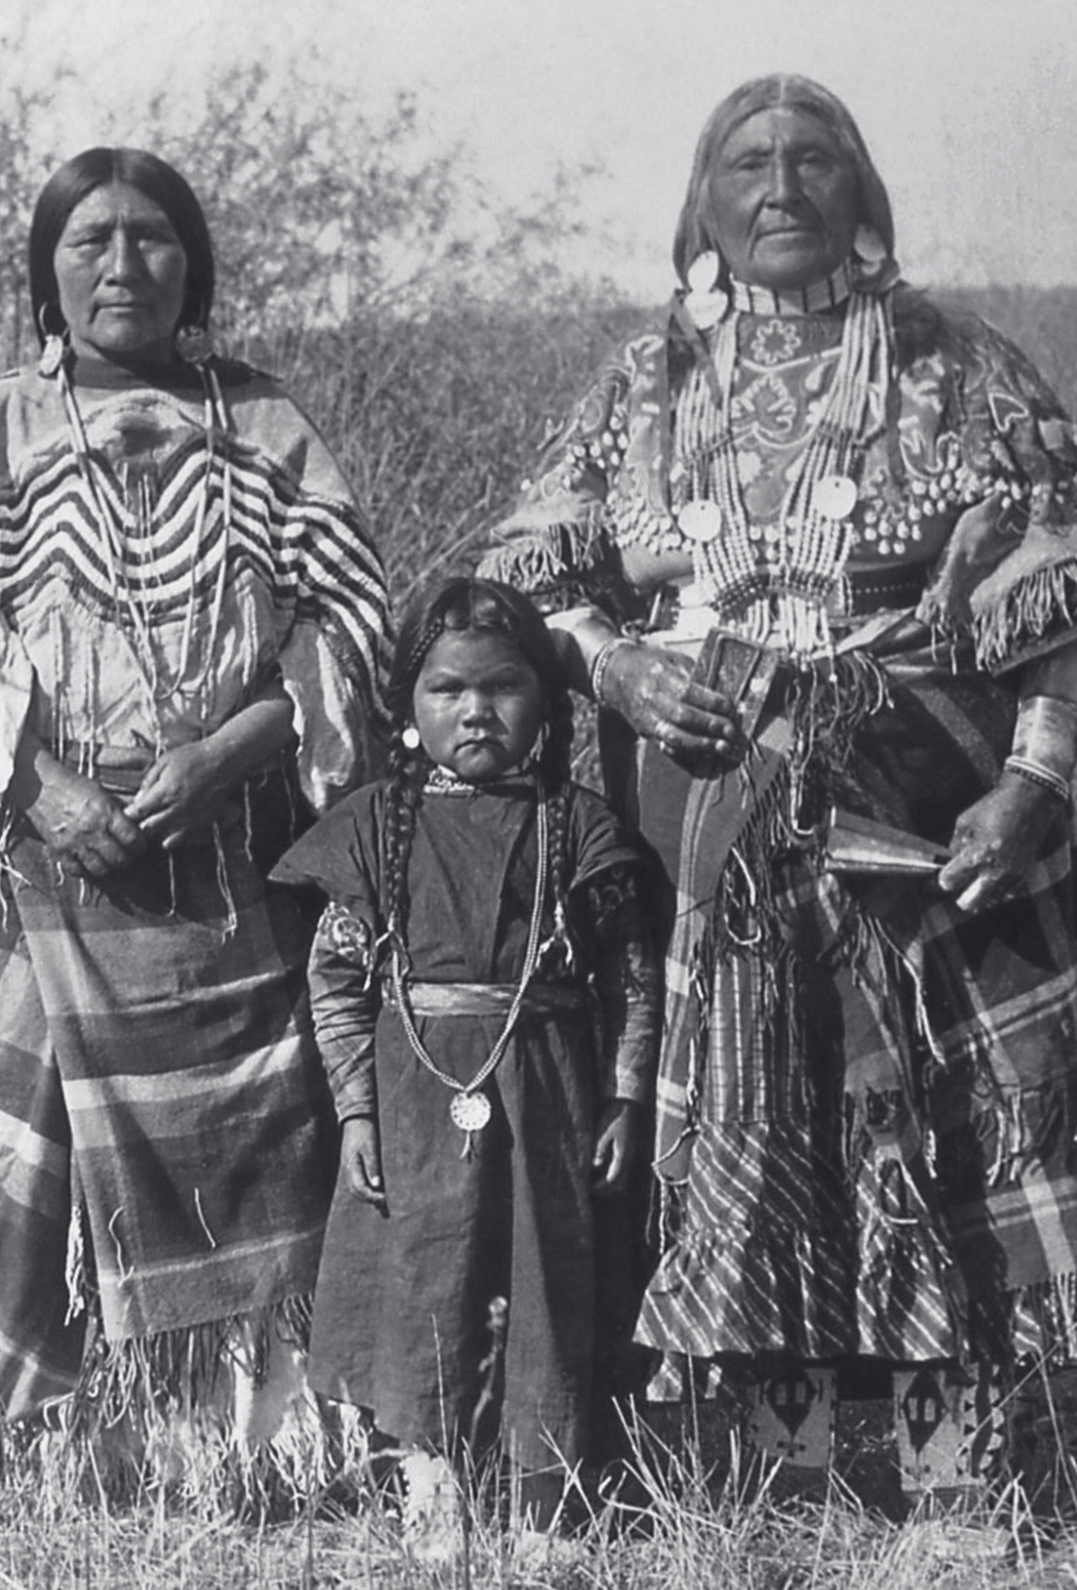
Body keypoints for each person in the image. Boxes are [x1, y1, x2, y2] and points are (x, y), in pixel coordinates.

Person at [481, 74, 1077, 1504]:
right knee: (749, 1133)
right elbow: (533, 566)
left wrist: (1034, 781)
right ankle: (783, 1485)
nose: (780, 182)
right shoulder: (644, 378)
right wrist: (614, 669)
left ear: (861, 190)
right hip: (706, 817)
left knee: (928, 1130)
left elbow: (1065, 587)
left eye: (813, 156)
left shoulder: (952, 360)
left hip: (923, 799)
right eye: (747, 161)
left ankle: (955, 1478)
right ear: (702, 202)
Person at [0, 147, 389, 1497]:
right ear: (48, 271)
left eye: (151, 238)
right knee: (30, 1135)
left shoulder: (265, 428)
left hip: (224, 852)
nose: (122, 264)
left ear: (192, 265)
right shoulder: (1, 427)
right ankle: (65, 1441)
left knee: (247, 1128)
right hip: (29, 848)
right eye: (89, 241)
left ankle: (231, 1441)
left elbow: (349, 630)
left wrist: (229, 751)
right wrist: (38, 786)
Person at [271, 577, 659, 1557]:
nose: (475, 710)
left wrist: (625, 1093)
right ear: (407, 704)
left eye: (503, 686)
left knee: (545, 1287)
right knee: (424, 1290)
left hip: (551, 1104)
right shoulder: (377, 829)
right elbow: (336, 981)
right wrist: (357, 1112)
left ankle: (548, 1515)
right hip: (414, 1105)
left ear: (545, 698)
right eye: (446, 688)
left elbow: (633, 976)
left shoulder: (577, 827)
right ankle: (435, 1507)